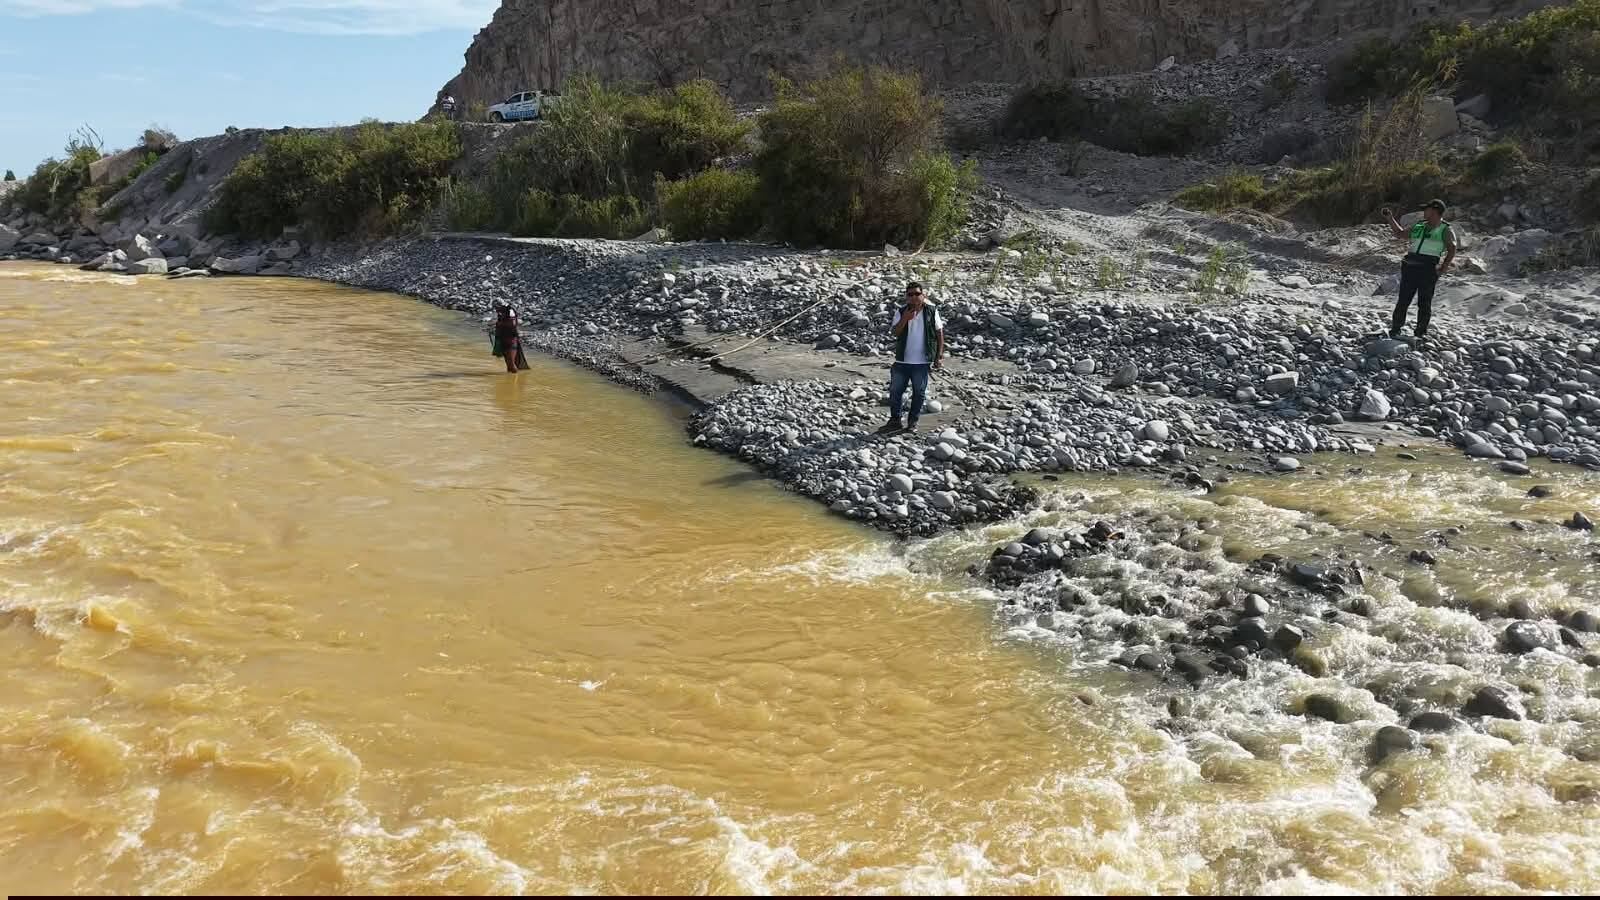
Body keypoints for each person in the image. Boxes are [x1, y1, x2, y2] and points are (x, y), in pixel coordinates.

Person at [1382, 199, 1457, 345]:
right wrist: (1390, 218)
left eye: (1426, 209)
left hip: (1428, 268)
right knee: (1403, 299)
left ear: (1434, 211)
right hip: (1410, 266)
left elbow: (1452, 248)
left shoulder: (1446, 229)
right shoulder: (1419, 225)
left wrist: (1443, 268)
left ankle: (1420, 333)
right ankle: (1396, 329)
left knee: (1424, 302)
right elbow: (1400, 233)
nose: (1424, 212)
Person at [877, 282, 944, 434]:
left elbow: (939, 333)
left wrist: (939, 356)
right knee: (895, 392)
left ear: (923, 295)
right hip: (902, 361)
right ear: (906, 297)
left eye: (917, 294)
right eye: (910, 294)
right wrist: (905, 318)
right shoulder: (901, 312)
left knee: (919, 393)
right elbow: (895, 333)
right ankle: (895, 421)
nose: (914, 297)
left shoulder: (932, 312)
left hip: (922, 362)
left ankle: (912, 422)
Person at [491, 301, 530, 373]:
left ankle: (516, 381)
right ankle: (510, 380)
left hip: (510, 340)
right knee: (508, 364)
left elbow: (512, 324)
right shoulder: (502, 312)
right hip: (503, 338)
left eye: (496, 308)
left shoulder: (510, 312)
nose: (496, 310)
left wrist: (500, 324)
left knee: (511, 364)